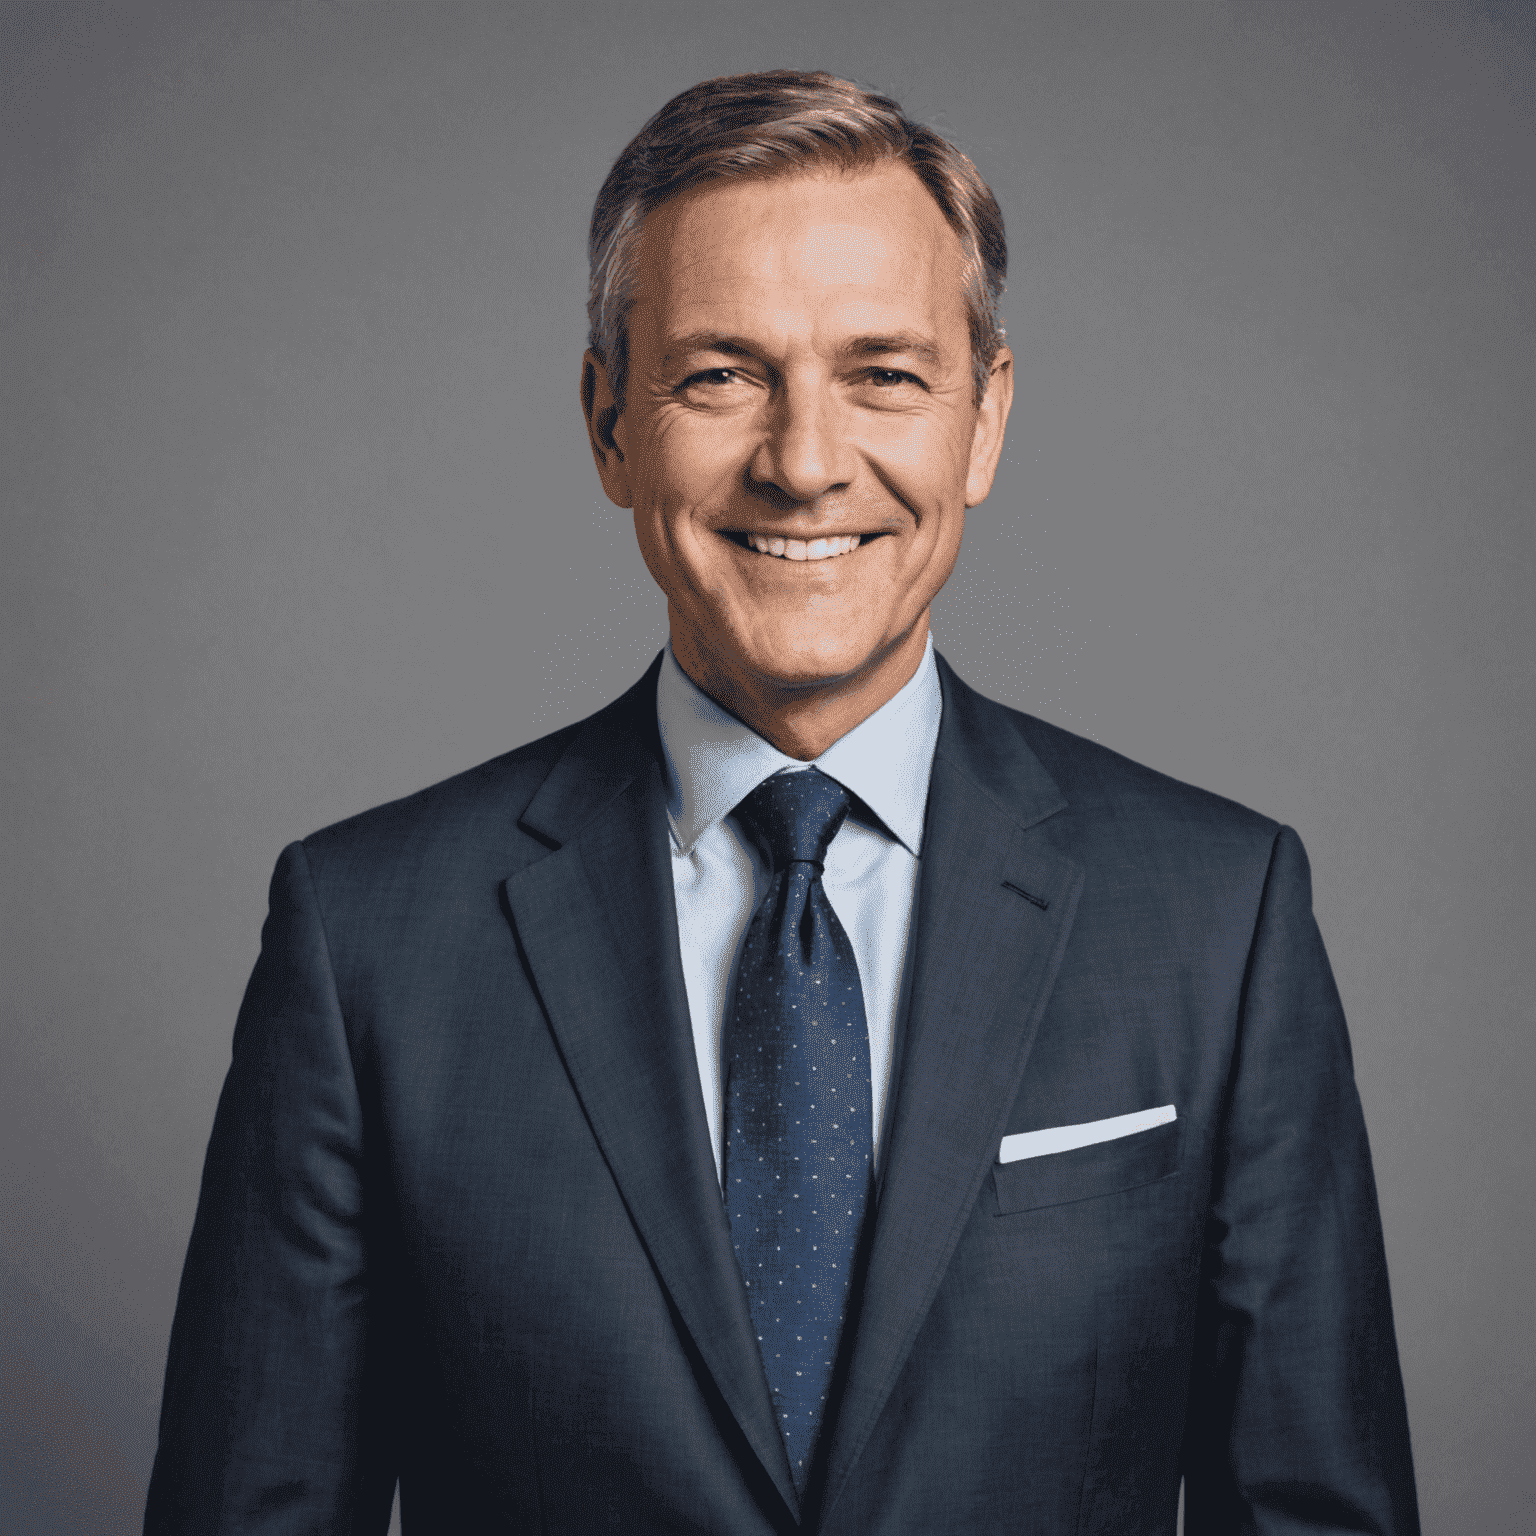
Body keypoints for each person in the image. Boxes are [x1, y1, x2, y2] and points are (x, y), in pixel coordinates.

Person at [144, 71, 1419, 1535]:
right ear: (609, 421)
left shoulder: (1219, 917)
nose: (805, 463)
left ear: (984, 418)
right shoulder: (364, 937)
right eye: (719, 376)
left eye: (883, 373)